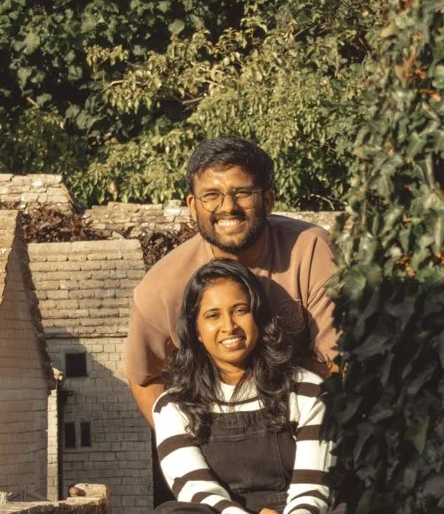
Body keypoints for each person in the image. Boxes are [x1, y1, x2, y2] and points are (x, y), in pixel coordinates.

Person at [143, 259, 351, 514]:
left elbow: (314, 483)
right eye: (213, 316)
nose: (229, 326)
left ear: (259, 318)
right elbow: (194, 488)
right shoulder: (174, 404)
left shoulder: (306, 389)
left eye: (240, 311)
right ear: (194, 329)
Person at [122, 136, 338, 423]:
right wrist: (182, 448)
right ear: (192, 205)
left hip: (309, 421)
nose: (228, 207)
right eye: (211, 195)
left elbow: (338, 360)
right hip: (215, 433)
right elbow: (145, 378)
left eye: (243, 192)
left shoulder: (311, 250)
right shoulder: (161, 287)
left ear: (268, 200)